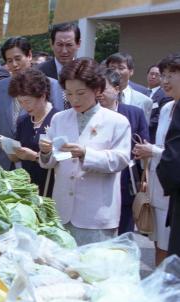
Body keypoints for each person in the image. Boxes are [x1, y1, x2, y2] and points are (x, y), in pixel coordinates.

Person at [39, 58, 131, 246]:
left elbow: (121, 159)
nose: (74, 100)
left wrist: (85, 154)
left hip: (96, 213)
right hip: (62, 210)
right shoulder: (59, 118)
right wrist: (46, 152)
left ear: (97, 90)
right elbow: (50, 162)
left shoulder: (117, 121)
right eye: (69, 94)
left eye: (81, 93)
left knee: (93, 269)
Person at [0, 37, 64, 169]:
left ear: (29, 55)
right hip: (3, 162)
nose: (14, 64)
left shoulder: (51, 84)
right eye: (9, 61)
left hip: (37, 162)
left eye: (18, 59)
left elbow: (59, 124)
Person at [98, 69, 149, 235]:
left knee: (124, 232)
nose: (99, 94)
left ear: (117, 89)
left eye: (103, 88)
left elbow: (143, 144)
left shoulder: (134, 113)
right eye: (96, 89)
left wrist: (143, 176)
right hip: (97, 180)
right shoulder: (89, 114)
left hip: (126, 181)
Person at [8, 68, 58, 196]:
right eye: (20, 102)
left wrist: (35, 157)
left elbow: (62, 160)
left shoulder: (58, 119)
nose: (24, 106)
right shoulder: (23, 121)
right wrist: (14, 154)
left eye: (28, 101)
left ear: (43, 96)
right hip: (27, 188)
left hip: (50, 188)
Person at [152, 53, 180, 258]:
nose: (166, 81)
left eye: (172, 75)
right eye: (164, 75)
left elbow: (174, 158)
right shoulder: (169, 106)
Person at [105, 52, 153, 124]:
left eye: (121, 68)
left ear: (131, 71)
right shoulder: (98, 97)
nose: (116, 72)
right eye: (112, 68)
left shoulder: (144, 101)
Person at [147, 65, 173, 143]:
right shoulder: (141, 92)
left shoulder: (165, 95)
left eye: (157, 75)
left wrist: (141, 124)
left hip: (152, 135)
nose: (153, 76)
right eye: (151, 74)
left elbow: (159, 116)